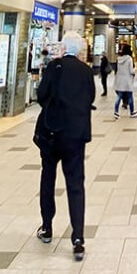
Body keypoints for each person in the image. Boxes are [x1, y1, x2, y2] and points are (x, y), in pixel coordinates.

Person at [34, 32, 95, 261]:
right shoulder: (86, 71)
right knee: (76, 184)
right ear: (79, 50)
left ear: (62, 48)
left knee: (48, 178)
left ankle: (47, 227)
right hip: (76, 135)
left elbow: (41, 96)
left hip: (52, 133)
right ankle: (78, 238)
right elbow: (90, 98)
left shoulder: (54, 68)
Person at [112, 43, 137, 119]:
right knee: (130, 96)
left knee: (119, 96)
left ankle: (116, 112)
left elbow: (117, 70)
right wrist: (135, 70)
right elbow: (131, 71)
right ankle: (132, 112)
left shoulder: (119, 59)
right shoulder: (129, 59)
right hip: (127, 81)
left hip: (119, 80)